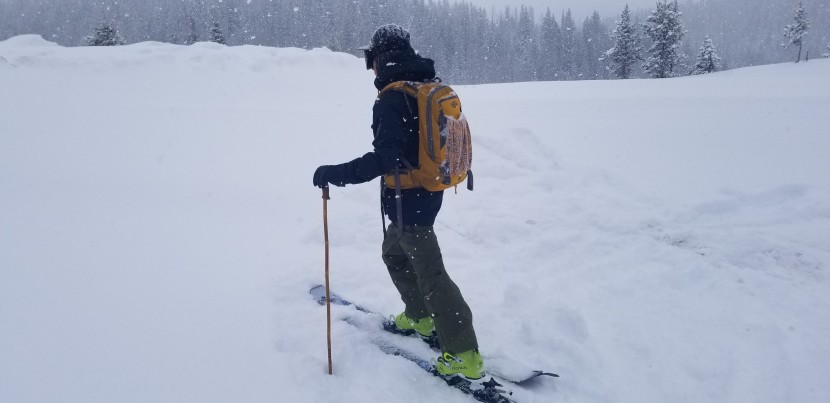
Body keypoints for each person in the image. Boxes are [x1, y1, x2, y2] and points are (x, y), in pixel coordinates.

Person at [312, 24, 484, 380]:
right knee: (394, 252)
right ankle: (420, 317)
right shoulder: (422, 84)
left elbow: (385, 158)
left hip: (410, 198)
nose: (370, 68)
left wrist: (335, 173)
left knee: (431, 273)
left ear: (379, 59)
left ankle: (464, 354)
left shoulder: (393, 98)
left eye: (370, 60)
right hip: (426, 191)